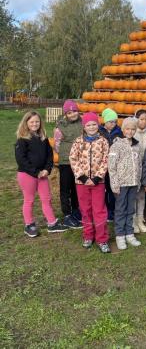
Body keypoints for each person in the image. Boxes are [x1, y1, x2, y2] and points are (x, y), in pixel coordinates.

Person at [15, 111, 68, 237]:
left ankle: (52, 223)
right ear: (26, 123)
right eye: (32, 122)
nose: (34, 124)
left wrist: (47, 169)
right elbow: (21, 159)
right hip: (27, 174)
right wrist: (35, 172)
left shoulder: (43, 138)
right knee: (29, 200)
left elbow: (50, 155)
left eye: (37, 122)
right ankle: (29, 225)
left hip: (42, 175)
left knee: (47, 198)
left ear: (40, 123)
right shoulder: (22, 140)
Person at [69, 112, 110, 253]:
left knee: (99, 210)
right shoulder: (78, 142)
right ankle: (88, 235)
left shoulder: (103, 141)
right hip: (82, 183)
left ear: (98, 125)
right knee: (85, 210)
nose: (92, 127)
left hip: (98, 182)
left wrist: (98, 178)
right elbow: (73, 160)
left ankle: (102, 239)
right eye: (88, 125)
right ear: (84, 126)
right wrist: (83, 178)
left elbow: (106, 160)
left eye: (94, 124)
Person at [108, 117, 142, 250]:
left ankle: (129, 233)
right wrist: (114, 183)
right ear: (123, 129)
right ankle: (120, 235)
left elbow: (139, 164)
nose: (130, 131)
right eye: (127, 128)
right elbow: (111, 166)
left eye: (133, 129)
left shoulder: (137, 145)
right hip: (121, 183)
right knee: (121, 209)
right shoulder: (117, 145)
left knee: (130, 209)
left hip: (133, 183)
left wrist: (138, 181)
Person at [54, 100, 83, 229]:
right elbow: (57, 145)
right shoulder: (60, 127)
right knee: (65, 188)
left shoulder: (82, 123)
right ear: (66, 114)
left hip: (80, 161)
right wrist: (65, 154)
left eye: (74, 111)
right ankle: (67, 214)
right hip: (66, 162)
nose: (72, 114)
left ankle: (76, 210)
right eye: (69, 113)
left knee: (77, 187)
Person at [99, 108, 123, 222]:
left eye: (115, 122)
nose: (113, 124)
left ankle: (113, 210)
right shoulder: (100, 132)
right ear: (105, 122)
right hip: (102, 165)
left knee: (113, 188)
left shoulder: (119, 132)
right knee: (103, 189)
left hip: (114, 166)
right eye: (110, 122)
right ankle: (105, 209)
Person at [133, 109, 146, 233]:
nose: (143, 121)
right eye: (141, 119)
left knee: (141, 196)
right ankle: (133, 221)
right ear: (137, 119)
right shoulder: (132, 133)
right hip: (134, 169)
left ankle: (140, 219)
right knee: (133, 196)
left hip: (145, 169)